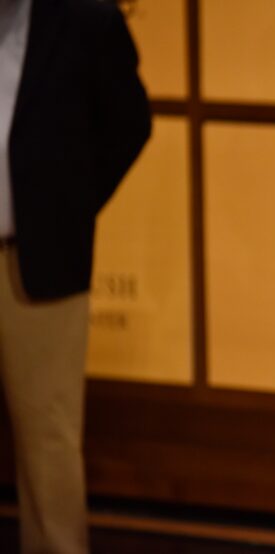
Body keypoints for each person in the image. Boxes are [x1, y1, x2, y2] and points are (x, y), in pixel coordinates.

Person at [0, 0, 151, 551]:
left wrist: (65, 209)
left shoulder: (86, 17)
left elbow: (128, 123)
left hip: (38, 256)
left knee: (47, 434)